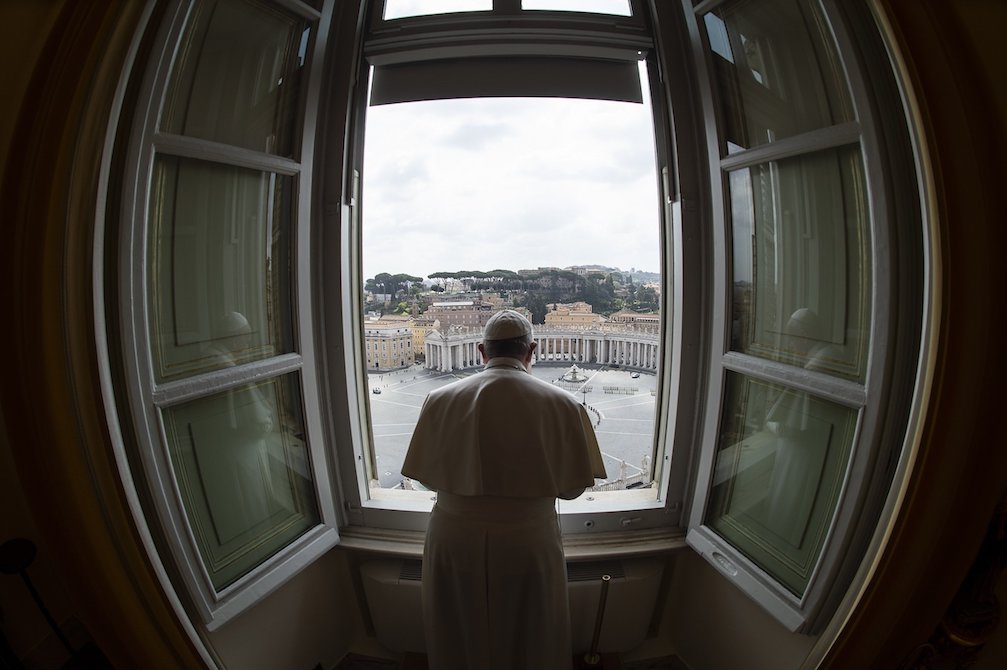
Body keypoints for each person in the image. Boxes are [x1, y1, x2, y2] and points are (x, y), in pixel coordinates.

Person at [401, 309, 606, 670]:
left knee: (457, 628)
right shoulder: (566, 405)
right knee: (531, 631)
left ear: (481, 351)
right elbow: (574, 488)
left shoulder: (438, 400)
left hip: (454, 535)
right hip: (528, 539)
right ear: (532, 351)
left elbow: (425, 478)